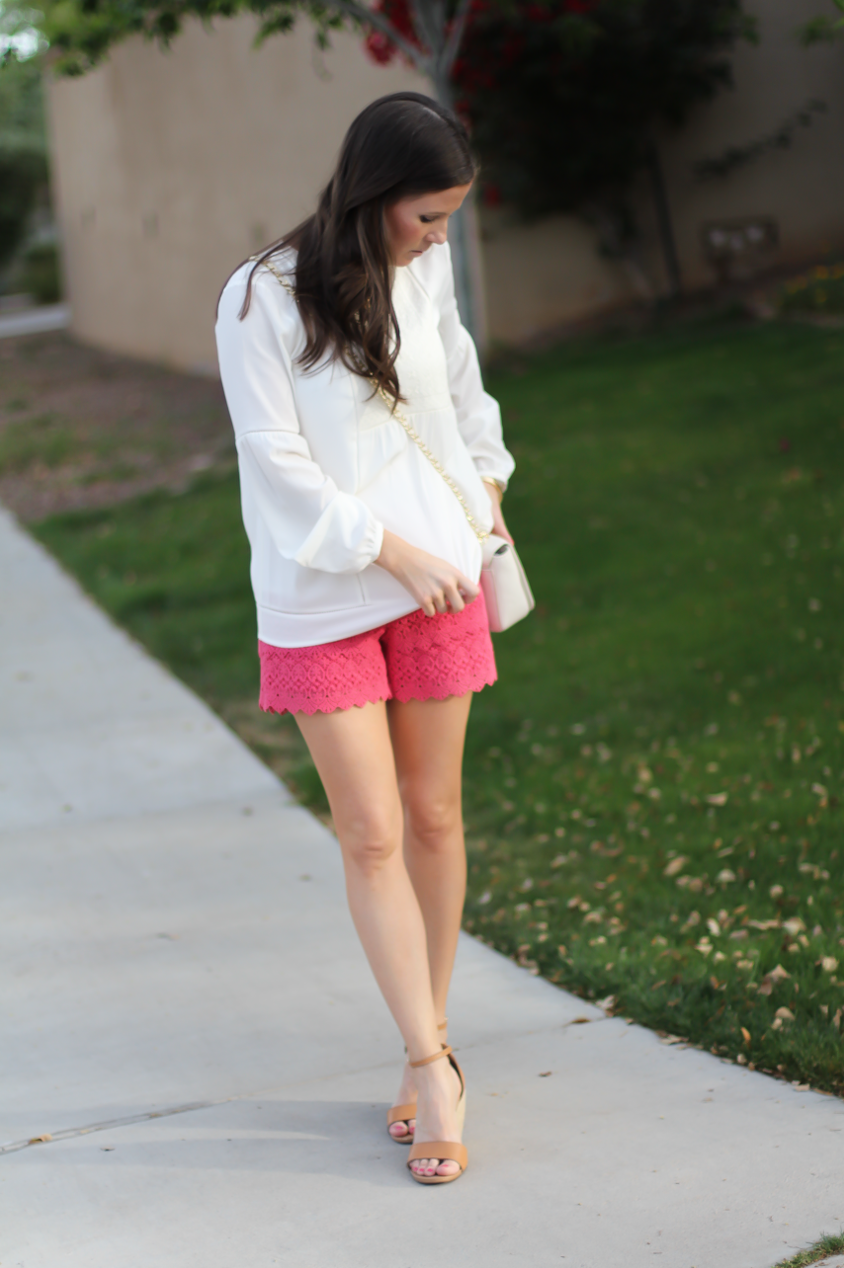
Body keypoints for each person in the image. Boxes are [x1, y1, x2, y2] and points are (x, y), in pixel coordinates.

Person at [215, 91, 515, 1185]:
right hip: (325, 592)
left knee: (434, 813)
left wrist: (484, 487)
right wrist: (391, 547)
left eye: (446, 219)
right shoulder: (258, 300)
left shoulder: (423, 273)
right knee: (371, 831)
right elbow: (277, 466)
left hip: (440, 576)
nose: (439, 238)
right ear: (377, 194)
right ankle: (436, 1062)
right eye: (427, 217)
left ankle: (418, 1046)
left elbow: (459, 396)